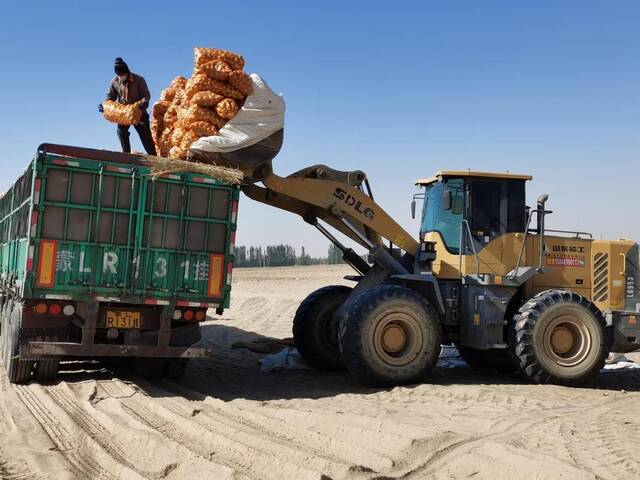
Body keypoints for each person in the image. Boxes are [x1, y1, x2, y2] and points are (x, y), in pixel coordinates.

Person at [99, 57, 156, 155]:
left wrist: (144, 103)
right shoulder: (114, 82)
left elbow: (146, 95)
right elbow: (110, 98)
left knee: (145, 136)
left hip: (139, 112)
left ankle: (154, 157)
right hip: (124, 113)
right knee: (121, 132)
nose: (121, 77)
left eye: (122, 75)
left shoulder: (139, 80)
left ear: (127, 72)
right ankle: (126, 155)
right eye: (119, 75)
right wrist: (103, 105)